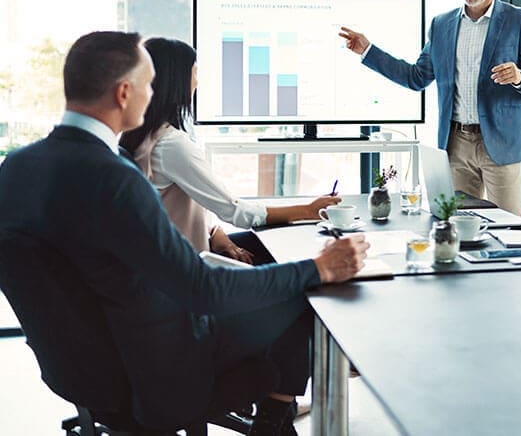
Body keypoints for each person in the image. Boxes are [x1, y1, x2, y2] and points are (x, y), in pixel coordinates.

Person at [0, 31, 368, 434]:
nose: (152, 92)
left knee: (274, 286)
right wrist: (317, 268)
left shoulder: (16, 167)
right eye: (148, 83)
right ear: (124, 93)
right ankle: (273, 422)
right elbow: (201, 289)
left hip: (81, 367)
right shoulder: (115, 177)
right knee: (301, 296)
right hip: (157, 369)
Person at [340, 0, 521, 214]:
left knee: (508, 228)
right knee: (457, 226)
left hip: (501, 144)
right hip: (456, 144)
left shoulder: (519, 20)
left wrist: (519, 77)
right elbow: (416, 77)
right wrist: (368, 50)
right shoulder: (442, 24)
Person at [120, 37, 339, 263]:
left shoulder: (141, 136)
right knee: (299, 259)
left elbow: (183, 204)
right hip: (187, 269)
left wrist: (216, 232)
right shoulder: (170, 145)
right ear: (177, 81)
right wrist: (308, 210)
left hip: (171, 258)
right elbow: (236, 212)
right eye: (195, 73)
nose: (197, 82)